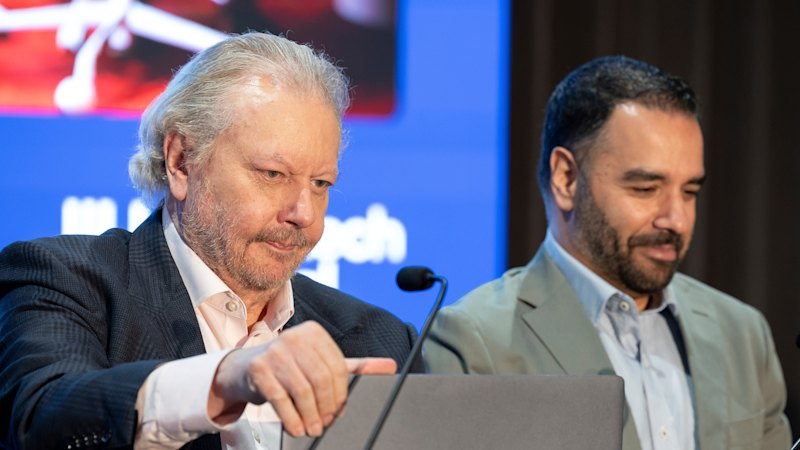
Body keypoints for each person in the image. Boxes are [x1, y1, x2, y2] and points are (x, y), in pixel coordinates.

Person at [0, 32, 421, 449]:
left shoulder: (379, 340)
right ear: (181, 162)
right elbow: (40, 420)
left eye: (320, 183)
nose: (304, 214)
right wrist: (226, 377)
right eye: (273, 174)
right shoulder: (64, 280)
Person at [424, 56, 791, 449]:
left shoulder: (742, 334)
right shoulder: (476, 341)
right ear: (566, 179)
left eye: (689, 192)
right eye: (645, 189)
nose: (677, 219)